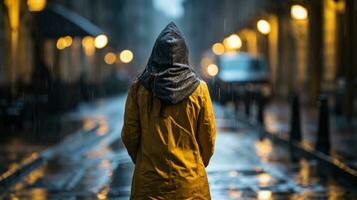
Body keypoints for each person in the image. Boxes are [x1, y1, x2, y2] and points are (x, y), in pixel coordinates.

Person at [121, 22, 216, 199]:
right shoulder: (199, 89)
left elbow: (129, 135)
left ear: (155, 54)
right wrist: (194, 164)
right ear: (184, 54)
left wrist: (143, 160)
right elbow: (207, 137)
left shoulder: (138, 89)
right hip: (190, 187)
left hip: (149, 186)